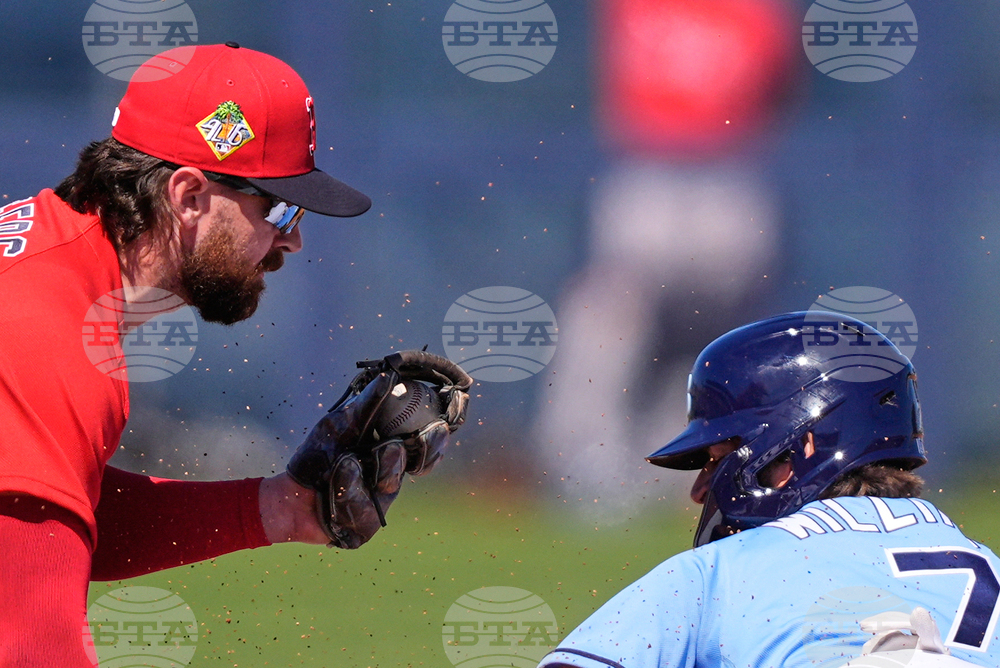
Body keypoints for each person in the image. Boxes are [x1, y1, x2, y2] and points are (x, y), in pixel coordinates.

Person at [0, 43, 468, 666]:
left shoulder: (53, 266)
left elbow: (57, 524)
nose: (293, 238)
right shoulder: (43, 336)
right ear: (189, 196)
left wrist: (278, 509)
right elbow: (35, 647)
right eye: (278, 207)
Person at [539, 312, 999, 668]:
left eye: (717, 459)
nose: (701, 490)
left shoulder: (721, 572)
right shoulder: (989, 565)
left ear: (796, 449)